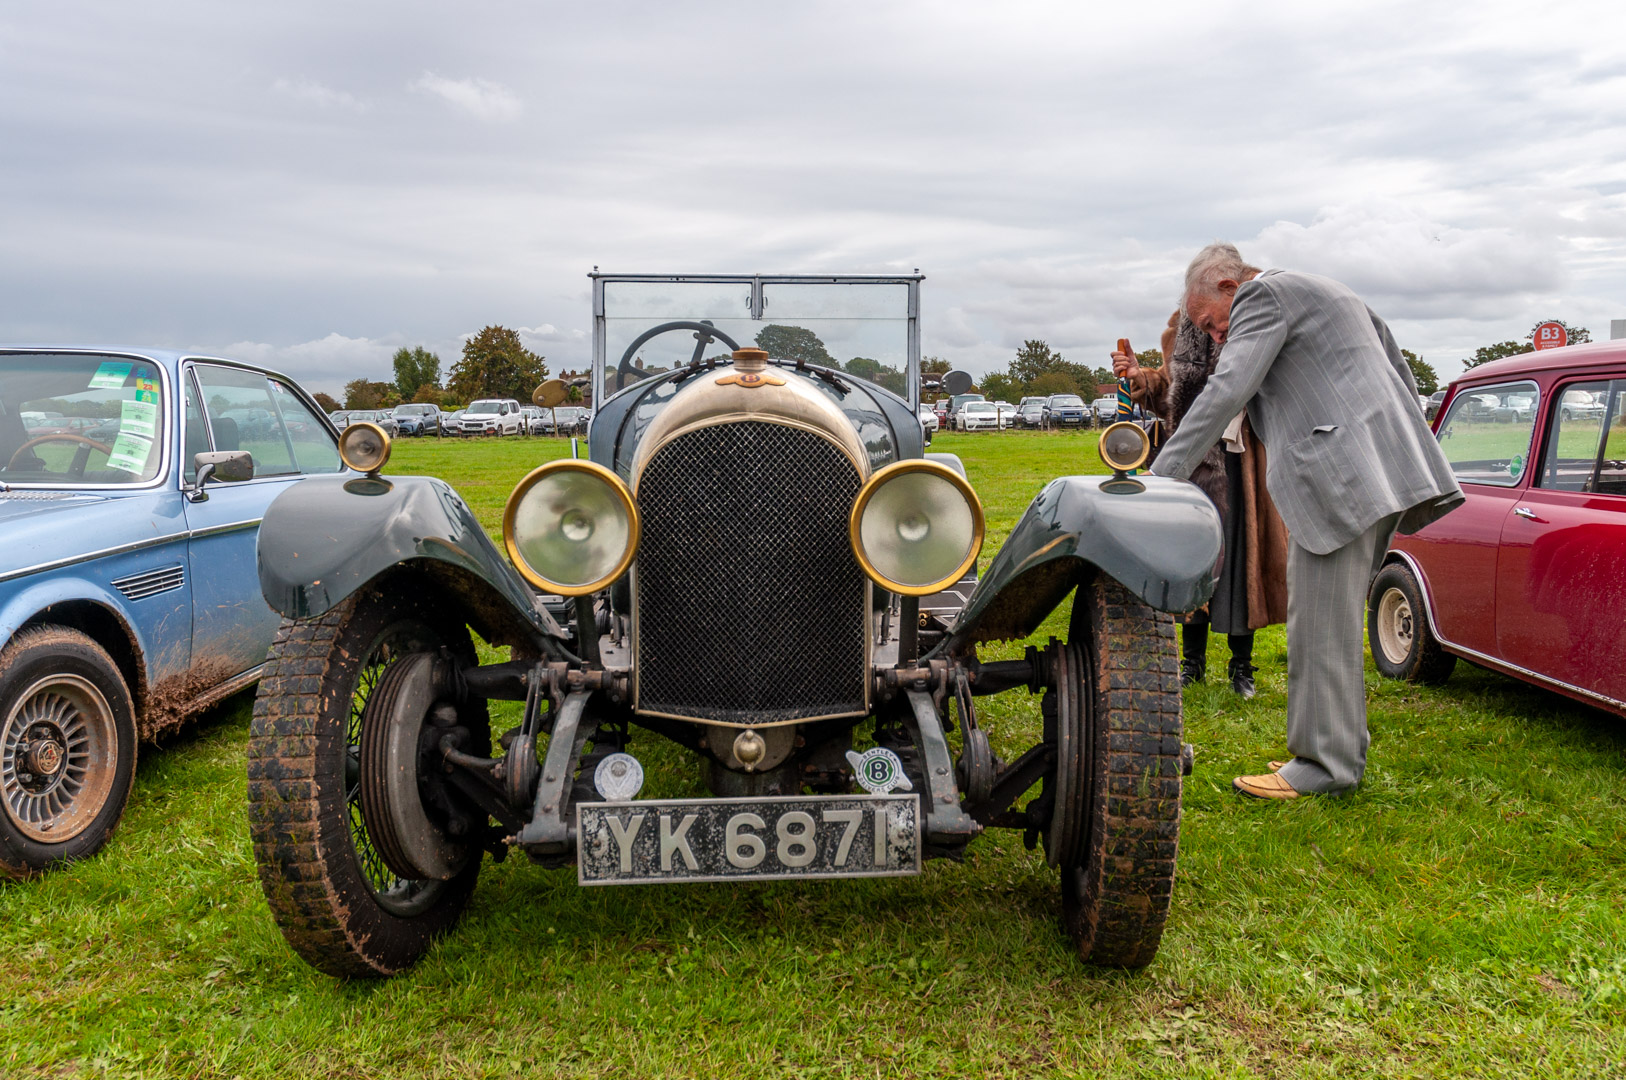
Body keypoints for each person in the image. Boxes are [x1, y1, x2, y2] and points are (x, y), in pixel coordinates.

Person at [1148, 243, 1462, 799]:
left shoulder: (1262, 296)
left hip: (1338, 477)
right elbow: (1400, 369)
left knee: (1318, 627)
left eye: (1210, 324)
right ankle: (1337, 747)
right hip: (1378, 469)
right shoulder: (1328, 288)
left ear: (1228, 287)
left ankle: (1322, 767)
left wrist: (1164, 473)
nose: (1215, 336)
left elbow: (1228, 388)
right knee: (1331, 623)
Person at [1112, 313, 1288, 697]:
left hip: (1243, 463)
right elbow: (1167, 394)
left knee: (1243, 558)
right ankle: (1193, 663)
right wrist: (1140, 378)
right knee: (1194, 557)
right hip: (1192, 462)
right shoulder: (1181, 332)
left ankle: (1242, 667)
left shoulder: (1258, 324)